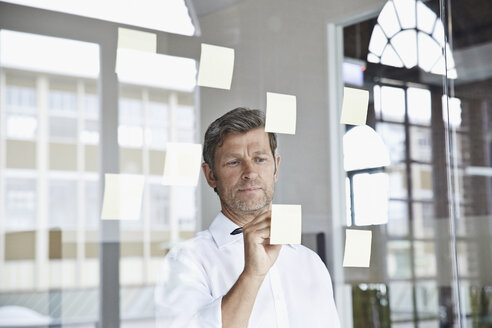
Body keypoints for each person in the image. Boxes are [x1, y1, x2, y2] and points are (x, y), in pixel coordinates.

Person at [155, 107, 341, 327]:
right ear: (210, 175)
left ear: (276, 168)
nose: (250, 172)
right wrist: (252, 275)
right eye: (233, 162)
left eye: (260, 159)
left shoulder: (310, 262)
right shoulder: (186, 261)